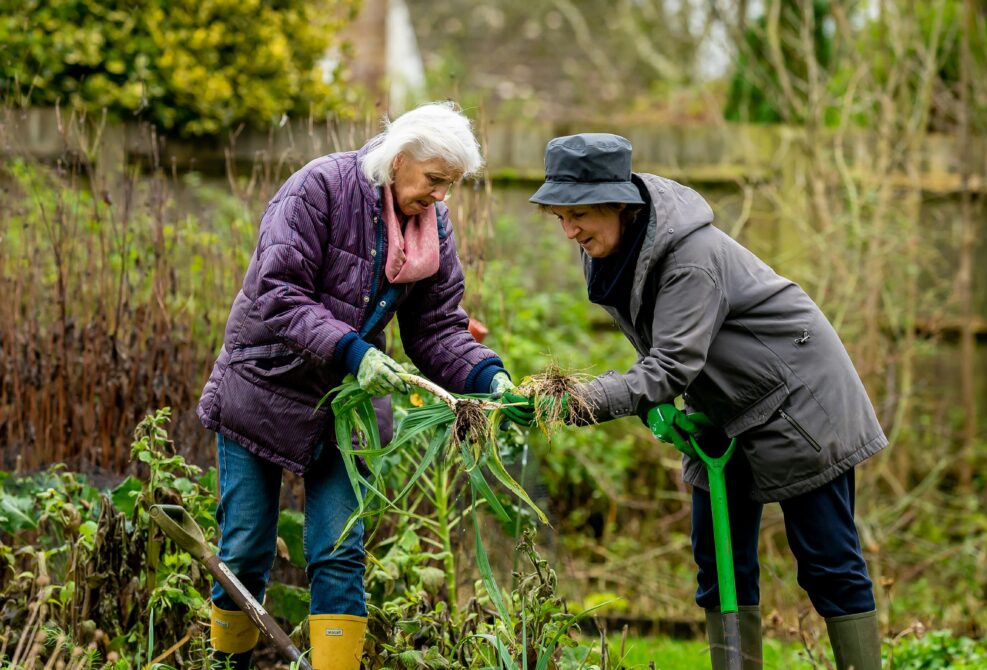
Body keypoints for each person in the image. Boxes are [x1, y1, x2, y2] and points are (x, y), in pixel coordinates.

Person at [502, 133, 886, 670]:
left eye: (580, 215)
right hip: (722, 411)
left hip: (798, 402)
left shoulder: (690, 258)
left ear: (620, 204)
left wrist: (578, 400)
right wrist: (655, 403)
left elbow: (670, 365)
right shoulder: (614, 252)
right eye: (560, 217)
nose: (570, 231)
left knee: (828, 562)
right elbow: (665, 351)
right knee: (719, 562)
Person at [196, 102, 515, 670]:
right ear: (398, 160)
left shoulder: (430, 226)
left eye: (451, 186)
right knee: (245, 547)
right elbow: (276, 291)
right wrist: (353, 350)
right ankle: (226, 665)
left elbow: (438, 327)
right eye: (435, 181)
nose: (441, 197)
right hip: (263, 383)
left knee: (339, 549)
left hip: (346, 402)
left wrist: (491, 378)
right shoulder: (320, 188)